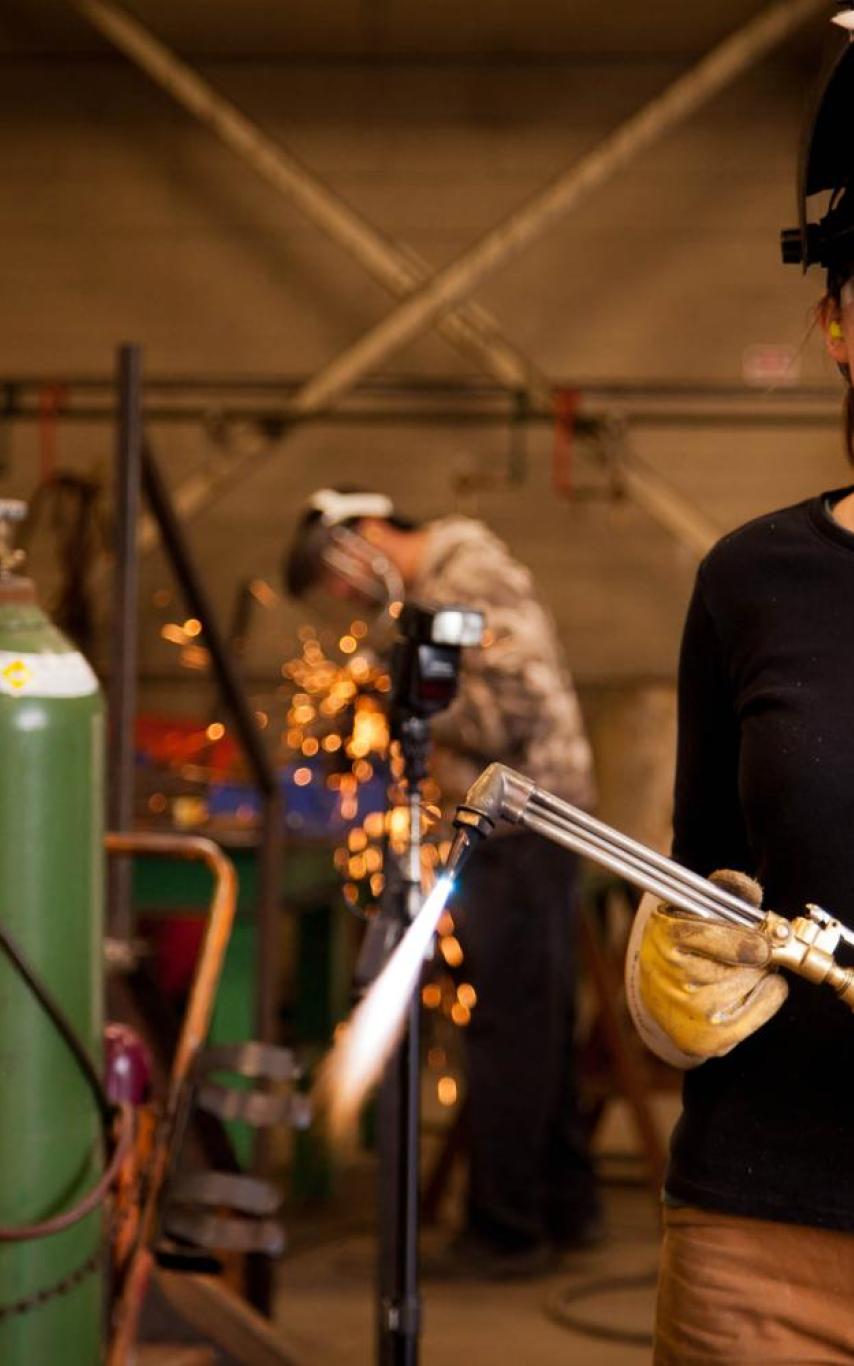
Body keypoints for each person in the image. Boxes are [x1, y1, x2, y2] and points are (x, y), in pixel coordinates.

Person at [625, 34, 854, 1363]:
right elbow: (699, 871)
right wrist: (670, 982)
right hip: (763, 1243)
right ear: (835, 323)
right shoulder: (750, 580)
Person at [285, 487, 602, 1276]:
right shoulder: (441, 589)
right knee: (536, 1022)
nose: (343, 596)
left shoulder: (470, 578)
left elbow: (508, 717)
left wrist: (391, 693)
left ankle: (506, 1232)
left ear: (363, 537)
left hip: (523, 826)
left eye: (337, 576)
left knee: (509, 1029)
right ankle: (567, 1208)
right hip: (516, 825)